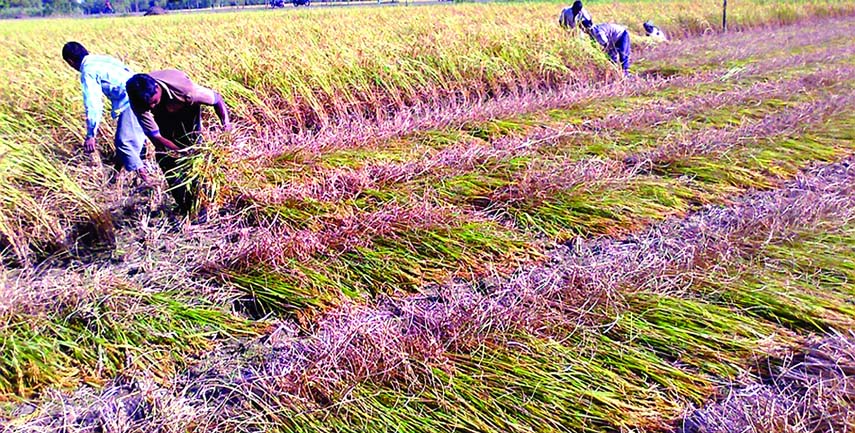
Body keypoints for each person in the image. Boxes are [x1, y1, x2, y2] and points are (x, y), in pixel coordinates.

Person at [125, 70, 231, 216]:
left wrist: (226, 125)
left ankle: (206, 202)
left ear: (157, 88)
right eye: (148, 107)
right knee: (165, 159)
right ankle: (186, 207)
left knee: (196, 155)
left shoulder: (187, 91)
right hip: (164, 118)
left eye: (154, 102)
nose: (151, 108)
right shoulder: (140, 102)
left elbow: (217, 99)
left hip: (186, 109)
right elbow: (156, 137)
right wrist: (181, 152)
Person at [61, 42, 152, 186]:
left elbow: (93, 103)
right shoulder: (100, 59)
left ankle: (150, 182)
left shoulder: (88, 71)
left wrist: (91, 134)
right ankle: (114, 180)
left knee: (124, 143)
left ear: (70, 62)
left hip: (131, 101)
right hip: (144, 94)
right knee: (132, 141)